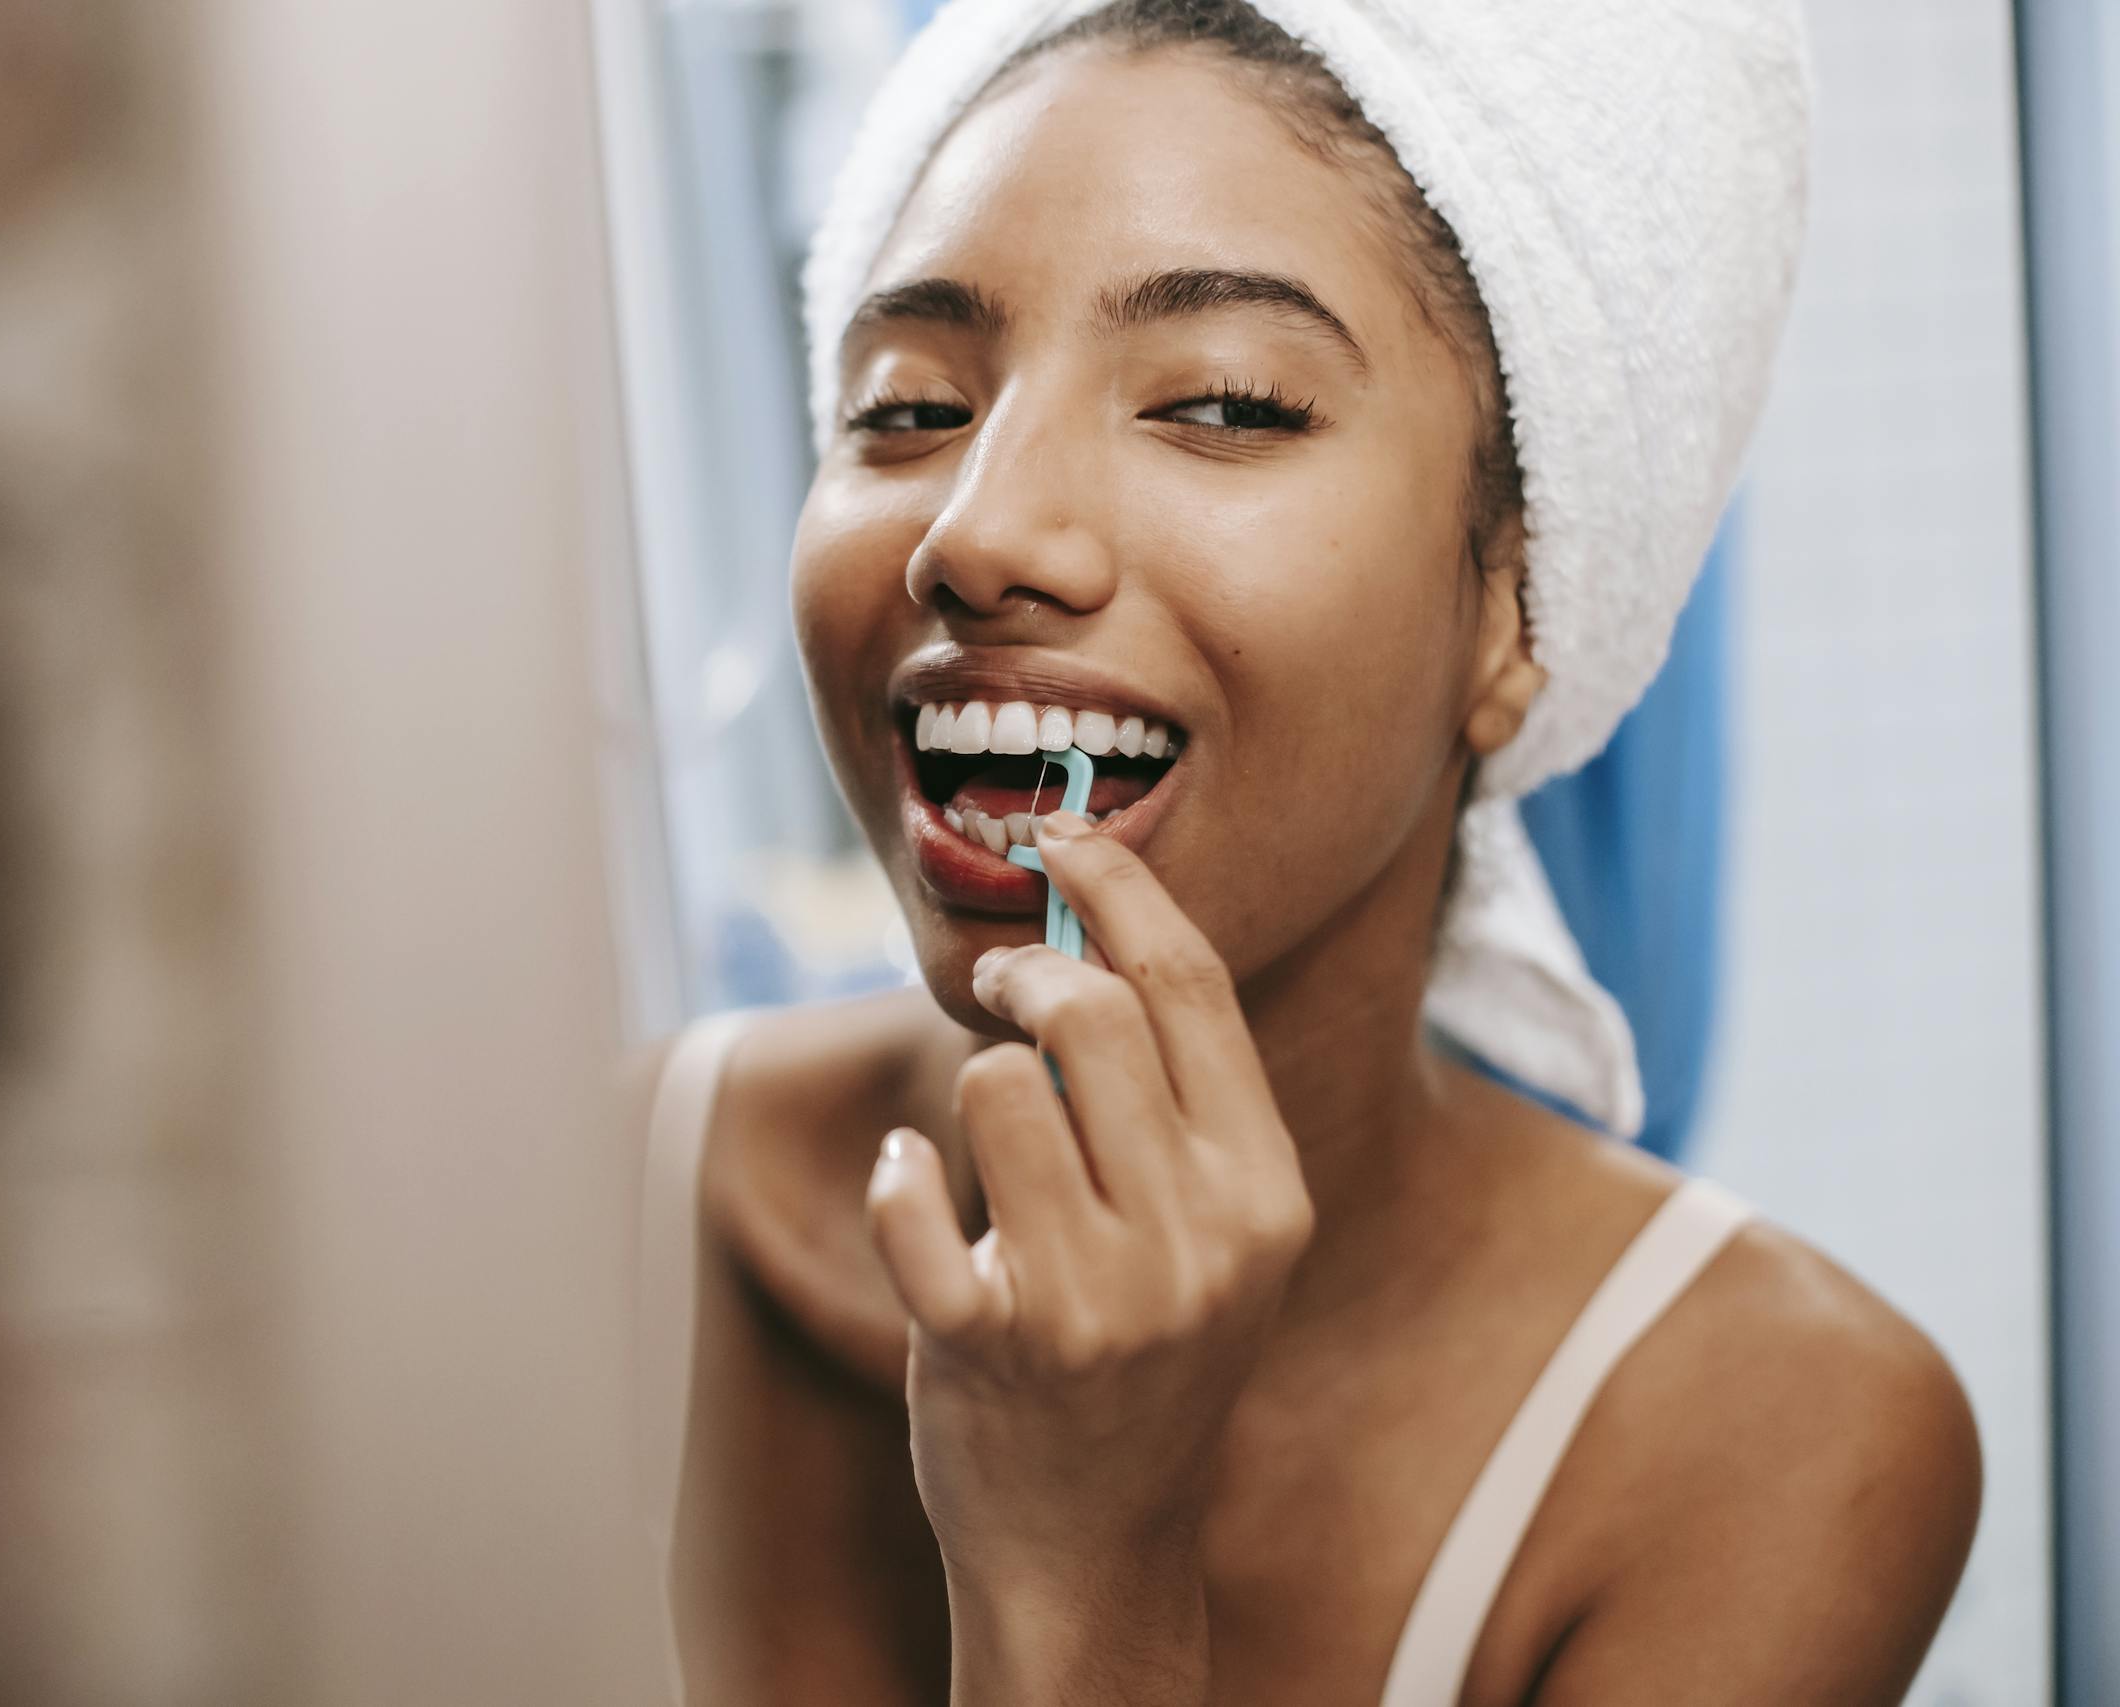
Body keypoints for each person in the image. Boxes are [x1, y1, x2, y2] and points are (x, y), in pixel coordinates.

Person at [636, 3, 1981, 1702]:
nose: (975, 532)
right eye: (906, 409)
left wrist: (1083, 1573)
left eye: (1223, 403)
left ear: (1517, 598)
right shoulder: (596, 1214)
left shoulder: (1779, 1446)